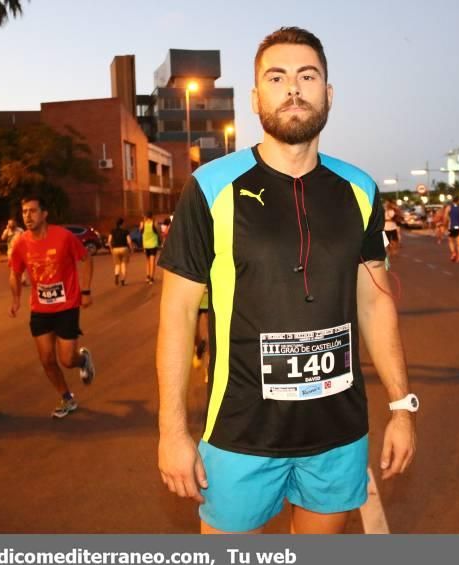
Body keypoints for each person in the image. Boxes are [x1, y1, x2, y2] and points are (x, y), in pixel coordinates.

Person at [157, 26, 417, 535]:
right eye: (276, 78)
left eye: (307, 76)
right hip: (240, 432)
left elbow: (375, 302)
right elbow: (178, 313)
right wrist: (172, 431)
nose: (293, 88)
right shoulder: (211, 187)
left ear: (329, 94)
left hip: (337, 433)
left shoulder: (359, 189)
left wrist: (403, 408)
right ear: (256, 97)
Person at [9, 196, 96, 418]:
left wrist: (85, 291)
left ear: (44, 213)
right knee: (47, 359)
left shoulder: (64, 237)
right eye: (24, 212)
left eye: (32, 211)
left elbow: (86, 259)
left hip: (66, 306)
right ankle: (67, 398)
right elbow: (15, 272)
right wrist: (16, 299)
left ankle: (82, 359)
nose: (27, 216)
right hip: (40, 309)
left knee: (67, 360)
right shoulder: (20, 242)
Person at [108, 218, 132, 286]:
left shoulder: (112, 231)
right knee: (123, 264)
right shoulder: (125, 231)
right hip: (124, 248)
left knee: (117, 265)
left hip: (115, 249)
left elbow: (109, 241)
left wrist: (111, 249)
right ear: (122, 224)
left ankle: (116, 275)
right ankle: (122, 280)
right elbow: (129, 241)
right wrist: (131, 248)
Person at [442, 195, 459, 262]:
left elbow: (445, 218)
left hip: (451, 226)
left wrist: (444, 226)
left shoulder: (449, 207)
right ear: (458, 201)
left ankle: (453, 253)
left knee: (451, 240)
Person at [140, 211, 160, 284]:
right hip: (153, 244)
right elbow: (158, 231)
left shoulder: (142, 224)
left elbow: (141, 232)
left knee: (147, 261)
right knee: (152, 262)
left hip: (145, 245)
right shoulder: (154, 223)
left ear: (146, 216)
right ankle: (151, 278)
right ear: (151, 216)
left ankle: (147, 276)